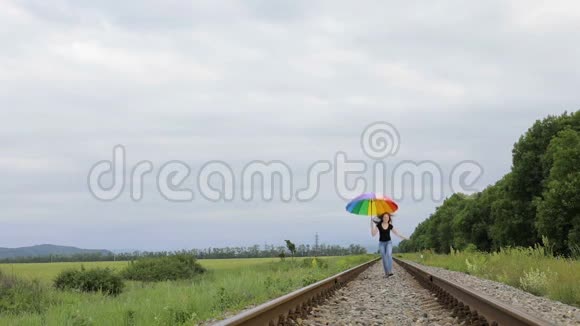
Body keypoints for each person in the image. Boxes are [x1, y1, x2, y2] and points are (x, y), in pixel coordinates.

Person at [370, 212, 409, 277]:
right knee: (384, 256)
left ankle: (390, 271)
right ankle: (386, 273)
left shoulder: (390, 226)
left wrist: (405, 237)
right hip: (381, 243)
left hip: (388, 242)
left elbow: (397, 233)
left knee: (388, 254)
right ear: (382, 218)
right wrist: (371, 225)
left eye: (387, 217)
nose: (386, 218)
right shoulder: (378, 225)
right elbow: (373, 234)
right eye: (385, 217)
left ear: (389, 218)